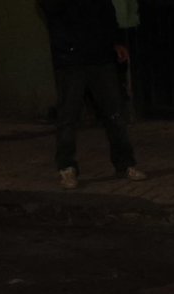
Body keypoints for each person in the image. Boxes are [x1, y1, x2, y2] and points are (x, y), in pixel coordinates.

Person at [39, 0, 146, 189]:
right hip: (70, 58)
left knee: (115, 113)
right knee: (68, 116)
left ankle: (125, 163)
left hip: (99, 55)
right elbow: (52, 8)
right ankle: (67, 167)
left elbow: (106, 10)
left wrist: (116, 41)